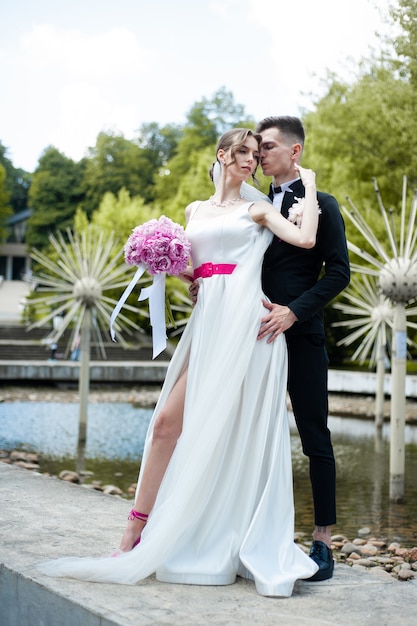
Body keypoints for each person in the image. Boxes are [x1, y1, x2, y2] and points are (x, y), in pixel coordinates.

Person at [38, 128, 320, 597]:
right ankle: (137, 528)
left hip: (246, 330)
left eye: (256, 154)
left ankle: (204, 536)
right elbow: (196, 267)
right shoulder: (194, 211)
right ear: (222, 155)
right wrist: (168, 264)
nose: (251, 161)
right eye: (244, 153)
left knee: (218, 431)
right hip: (208, 323)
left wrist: (307, 182)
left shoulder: (259, 209)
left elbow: (307, 239)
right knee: (167, 423)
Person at [255, 116, 350, 581]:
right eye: (257, 147)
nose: (259, 154)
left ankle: (323, 541)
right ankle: (253, 531)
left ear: (294, 152)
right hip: (250, 335)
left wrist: (294, 311)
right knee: (249, 432)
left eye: (268, 146)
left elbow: (338, 273)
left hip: (300, 333)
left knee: (315, 436)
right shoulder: (248, 204)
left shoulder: (323, 205)